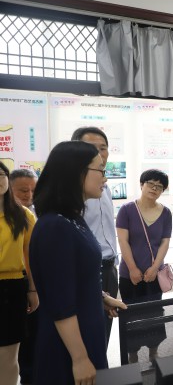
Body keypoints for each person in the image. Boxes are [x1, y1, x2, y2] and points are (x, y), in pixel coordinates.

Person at [29, 141, 126, 385]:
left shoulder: (72, 218)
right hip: (69, 345)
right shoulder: (54, 226)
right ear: (77, 172)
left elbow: (75, 275)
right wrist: (80, 358)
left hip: (87, 329)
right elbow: (59, 301)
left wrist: (100, 297)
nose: (105, 178)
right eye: (100, 170)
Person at [117, 169, 172, 363]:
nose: (154, 189)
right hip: (129, 275)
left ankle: (153, 351)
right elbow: (123, 241)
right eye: (150, 184)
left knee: (154, 314)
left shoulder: (165, 213)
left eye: (159, 187)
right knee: (131, 315)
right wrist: (132, 268)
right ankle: (132, 354)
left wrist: (155, 268)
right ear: (142, 184)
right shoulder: (126, 210)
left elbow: (165, 242)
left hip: (154, 275)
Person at [71, 127, 119, 348]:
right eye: (92, 148)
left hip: (109, 268)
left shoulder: (105, 188)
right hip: (85, 271)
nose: (99, 154)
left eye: (103, 148)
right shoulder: (71, 193)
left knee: (103, 334)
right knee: (84, 335)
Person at [0, 162, 38, 385]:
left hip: (13, 287)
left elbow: (29, 255)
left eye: (2, 174)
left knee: (9, 353)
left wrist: (32, 289)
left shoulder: (23, 216)